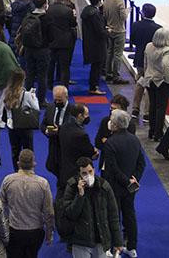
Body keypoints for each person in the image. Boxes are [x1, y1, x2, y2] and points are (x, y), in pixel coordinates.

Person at [55, 157, 124, 258]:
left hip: (101, 239)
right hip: (80, 241)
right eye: (84, 173)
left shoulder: (104, 186)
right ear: (79, 174)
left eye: (90, 171)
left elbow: (113, 215)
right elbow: (70, 214)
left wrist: (118, 241)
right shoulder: (72, 186)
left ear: (94, 170)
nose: (88, 175)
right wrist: (80, 196)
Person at [101, 110, 145, 255]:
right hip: (130, 187)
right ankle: (132, 247)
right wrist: (134, 180)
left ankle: (114, 247)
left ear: (115, 125)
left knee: (113, 217)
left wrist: (126, 181)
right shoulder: (135, 139)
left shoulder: (110, 143)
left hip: (114, 186)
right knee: (130, 216)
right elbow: (141, 164)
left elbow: (112, 169)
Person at [0, 150, 52, 257]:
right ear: (34, 163)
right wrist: (49, 232)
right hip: (35, 232)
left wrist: (0, 229)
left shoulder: (8, 180)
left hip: (14, 231)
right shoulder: (43, 183)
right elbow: (49, 212)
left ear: (18, 163)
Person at [128, 3, 162, 123]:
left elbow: (133, 40)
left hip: (139, 58)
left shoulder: (136, 25)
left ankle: (135, 109)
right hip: (153, 61)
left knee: (140, 82)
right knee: (150, 86)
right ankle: (147, 112)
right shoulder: (158, 28)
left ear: (142, 12)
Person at [1, 70, 40, 171]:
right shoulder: (26, 94)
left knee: (15, 151)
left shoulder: (6, 92)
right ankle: (29, 171)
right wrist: (34, 97)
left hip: (12, 127)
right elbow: (36, 108)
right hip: (25, 126)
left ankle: (17, 171)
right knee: (28, 151)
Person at [141, 28, 169, 142]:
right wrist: (168, 79)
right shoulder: (167, 50)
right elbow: (166, 65)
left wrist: (146, 73)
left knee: (152, 105)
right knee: (161, 107)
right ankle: (158, 133)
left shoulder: (149, 46)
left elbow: (145, 62)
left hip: (149, 79)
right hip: (161, 81)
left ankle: (151, 131)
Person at [56, 104, 96, 189]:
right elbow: (90, 152)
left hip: (64, 169)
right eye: (86, 114)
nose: (88, 117)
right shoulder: (81, 135)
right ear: (79, 116)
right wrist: (94, 153)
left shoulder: (64, 126)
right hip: (77, 173)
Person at [79, 0, 108, 95]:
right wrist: (108, 32)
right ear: (99, 1)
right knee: (97, 67)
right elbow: (100, 31)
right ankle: (94, 87)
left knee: (95, 66)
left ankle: (93, 86)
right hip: (97, 45)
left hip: (89, 43)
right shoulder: (95, 14)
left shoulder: (87, 11)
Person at [102, 0, 129, 84]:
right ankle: (116, 76)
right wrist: (126, 12)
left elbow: (104, 14)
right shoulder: (119, 1)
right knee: (118, 54)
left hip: (109, 28)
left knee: (109, 52)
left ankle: (108, 74)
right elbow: (123, 17)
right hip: (119, 30)